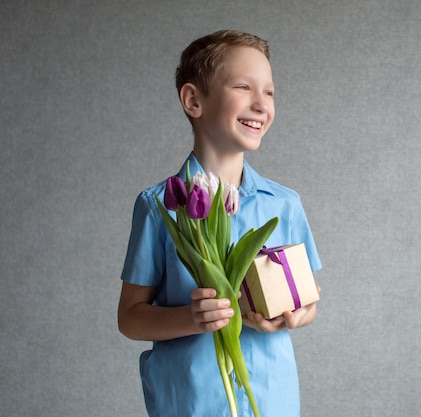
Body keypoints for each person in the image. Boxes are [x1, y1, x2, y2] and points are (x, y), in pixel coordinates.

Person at [118, 30, 322, 417]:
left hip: (271, 397)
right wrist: (190, 318)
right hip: (193, 401)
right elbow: (130, 317)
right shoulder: (159, 206)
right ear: (194, 100)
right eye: (244, 87)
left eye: (270, 92)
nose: (261, 104)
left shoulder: (284, 204)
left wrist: (296, 315)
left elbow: (308, 300)